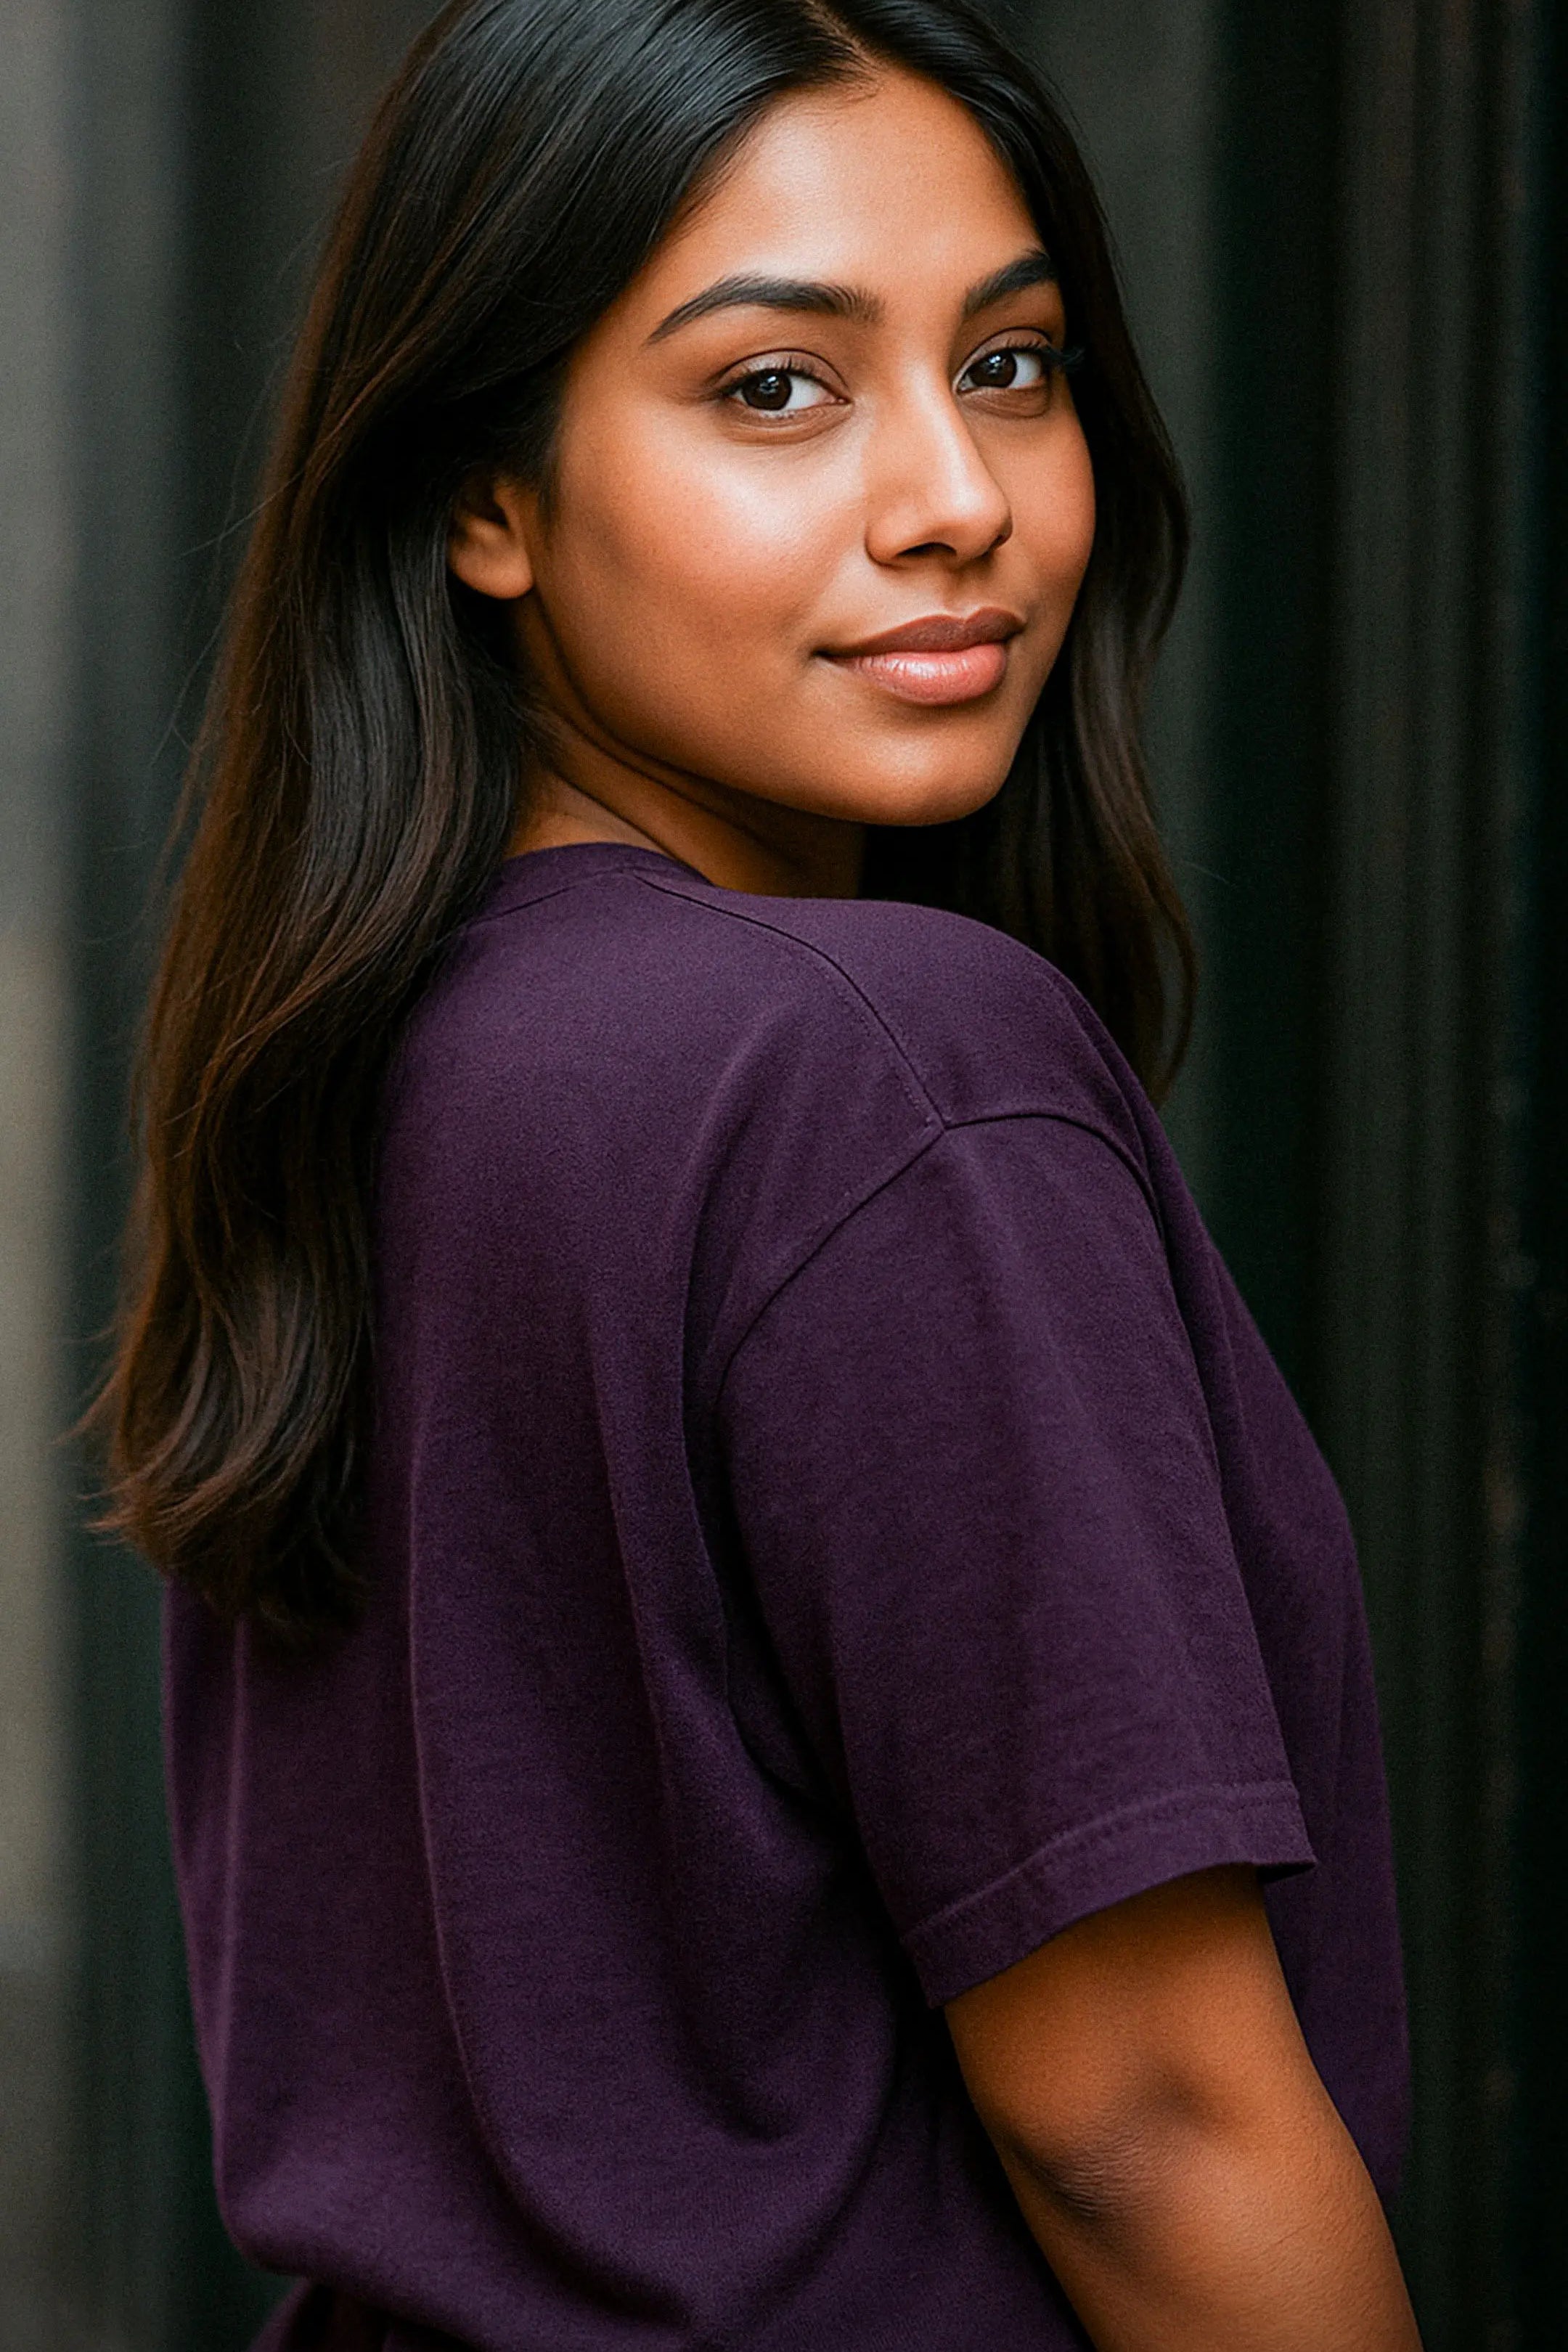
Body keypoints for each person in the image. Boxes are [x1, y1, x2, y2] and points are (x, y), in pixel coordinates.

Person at [97, 1, 1420, 2345]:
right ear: (481, 496)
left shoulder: (372, 1065)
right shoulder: (876, 1069)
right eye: (775, 389)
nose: (957, 498)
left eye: (1013, 363)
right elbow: (1144, 2123)